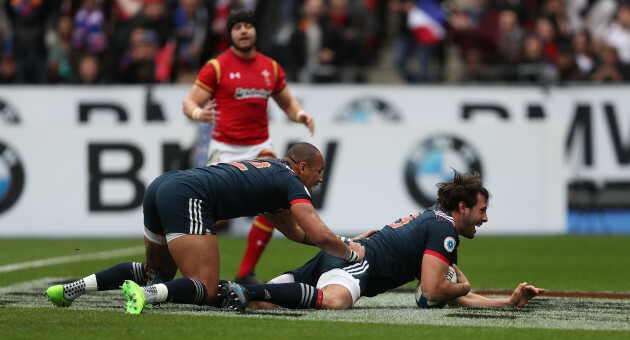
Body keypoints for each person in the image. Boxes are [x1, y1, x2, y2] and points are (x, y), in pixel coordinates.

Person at [45, 142, 364, 314]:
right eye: (319, 172)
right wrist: (351, 254)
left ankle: (72, 290)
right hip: (190, 196)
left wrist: (344, 240)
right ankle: (144, 295)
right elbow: (319, 232)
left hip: (163, 185)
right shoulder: (290, 181)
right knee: (207, 289)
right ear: (303, 166)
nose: (320, 179)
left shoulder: (271, 174)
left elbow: (298, 233)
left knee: (156, 269)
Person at [218, 169, 545, 312]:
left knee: (263, 304)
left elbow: (442, 291)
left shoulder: (435, 220)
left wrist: (507, 302)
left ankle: (210, 291)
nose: (485, 219)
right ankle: (247, 288)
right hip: (358, 265)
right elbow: (434, 291)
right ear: (463, 207)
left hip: (339, 258)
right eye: (482, 210)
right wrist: (461, 286)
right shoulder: (444, 232)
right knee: (335, 302)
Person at [181, 9, 315, 285]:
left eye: (248, 26)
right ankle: (173, 260)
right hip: (225, 149)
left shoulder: (270, 67)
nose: (243, 31)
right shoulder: (217, 67)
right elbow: (189, 102)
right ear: (230, 33)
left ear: (256, 31)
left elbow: (287, 102)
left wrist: (300, 114)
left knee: (275, 201)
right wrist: (198, 114)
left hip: (260, 147)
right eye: (237, 27)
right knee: (212, 215)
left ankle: (245, 272)